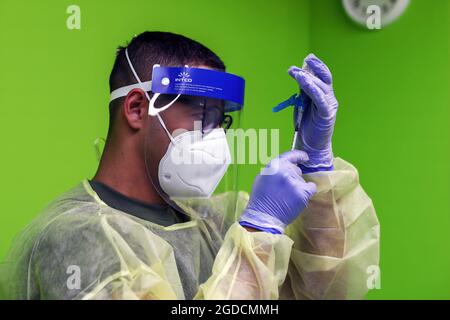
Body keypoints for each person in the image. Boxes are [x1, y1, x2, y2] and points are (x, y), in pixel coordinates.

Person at [0, 31, 379, 300]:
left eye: (220, 121)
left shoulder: (213, 223)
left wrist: (317, 165)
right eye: (201, 116)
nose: (215, 137)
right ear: (136, 109)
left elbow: (328, 290)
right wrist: (257, 231)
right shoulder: (75, 240)